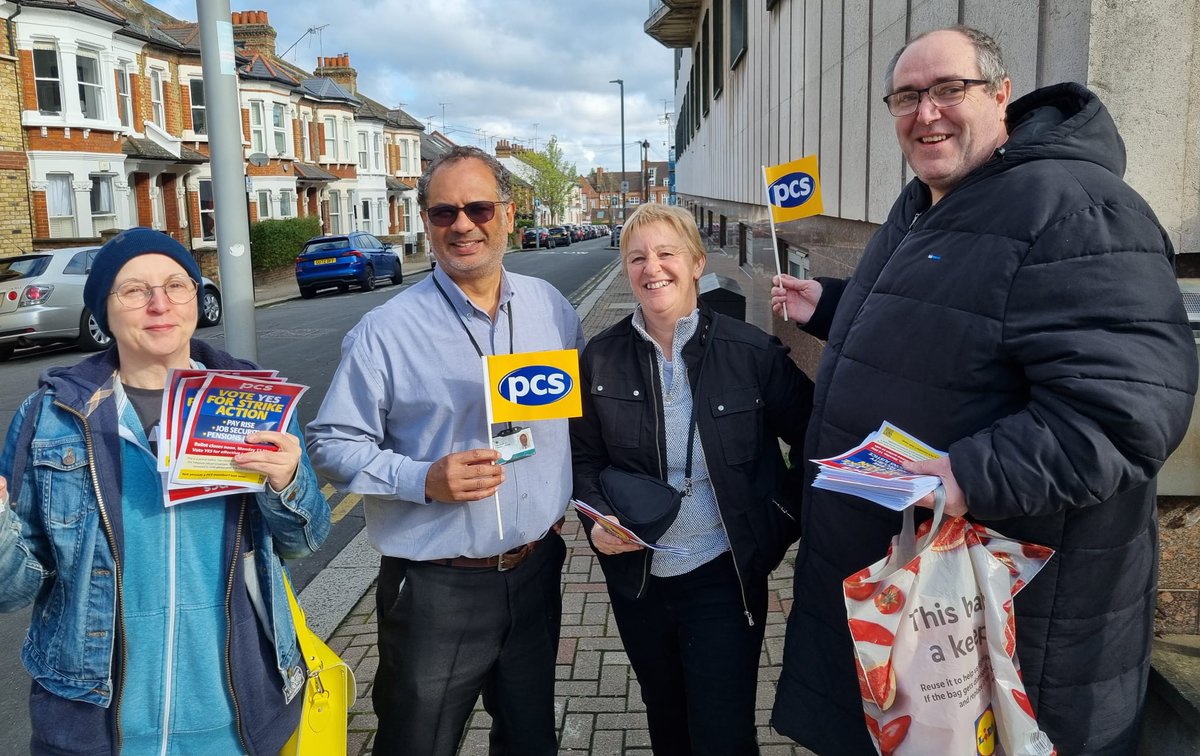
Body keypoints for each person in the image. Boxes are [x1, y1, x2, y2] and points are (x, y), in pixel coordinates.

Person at [769, 26, 1198, 755]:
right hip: (916, 605)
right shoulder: (930, 200)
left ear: (1001, 95)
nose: (925, 112)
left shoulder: (1075, 207)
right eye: (906, 96)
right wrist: (835, 305)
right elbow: (962, 321)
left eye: (947, 90)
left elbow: (1125, 408)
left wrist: (975, 471)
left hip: (1010, 628)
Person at [0, 227, 331, 754]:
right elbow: (11, 589)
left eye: (177, 285)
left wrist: (289, 482)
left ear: (196, 298)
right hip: (93, 727)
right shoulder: (50, 418)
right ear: (102, 311)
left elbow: (304, 541)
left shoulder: (252, 402)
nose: (160, 304)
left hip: (237, 719)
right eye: (133, 290)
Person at [307, 147, 583, 756]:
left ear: (508, 214)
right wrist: (420, 479)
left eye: (479, 208)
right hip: (437, 588)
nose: (463, 225)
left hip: (537, 569)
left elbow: (574, 419)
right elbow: (329, 444)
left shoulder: (551, 308)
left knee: (531, 740)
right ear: (427, 222)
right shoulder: (386, 330)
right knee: (417, 744)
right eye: (443, 213)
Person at [572, 204, 813, 756]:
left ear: (698, 262)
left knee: (722, 732)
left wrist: (780, 519)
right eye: (637, 257)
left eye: (665, 253)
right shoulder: (600, 358)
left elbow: (813, 436)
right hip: (638, 579)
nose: (651, 268)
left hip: (722, 576)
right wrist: (595, 522)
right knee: (667, 721)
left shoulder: (749, 352)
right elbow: (582, 460)